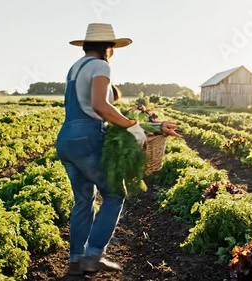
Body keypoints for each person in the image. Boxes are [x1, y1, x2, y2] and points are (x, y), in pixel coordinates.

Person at [55, 23, 176, 275]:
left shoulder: (74, 68)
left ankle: (76, 260)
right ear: (108, 47)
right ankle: (94, 255)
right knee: (113, 195)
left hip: (66, 139)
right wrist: (132, 126)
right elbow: (100, 105)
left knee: (83, 201)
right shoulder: (101, 66)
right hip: (87, 138)